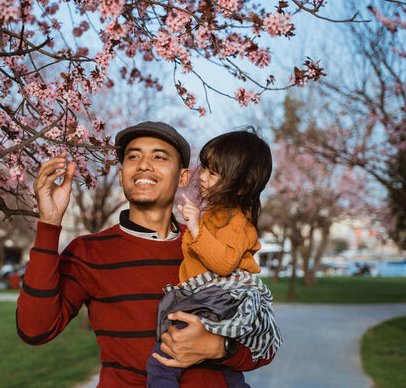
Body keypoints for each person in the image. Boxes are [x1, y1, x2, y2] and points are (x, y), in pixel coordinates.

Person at [16, 122, 274, 387]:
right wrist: (49, 224)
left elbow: (265, 346)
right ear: (121, 175)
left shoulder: (209, 244)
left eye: (159, 157)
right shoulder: (88, 252)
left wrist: (221, 348)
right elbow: (34, 330)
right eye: (133, 156)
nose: (144, 164)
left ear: (184, 177)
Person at [146, 129, 282, 388]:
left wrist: (196, 227)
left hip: (217, 298)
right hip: (210, 298)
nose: (203, 178)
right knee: (223, 371)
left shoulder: (238, 220)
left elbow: (224, 263)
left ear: (241, 186)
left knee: (161, 361)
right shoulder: (218, 214)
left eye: (213, 173)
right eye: (205, 168)